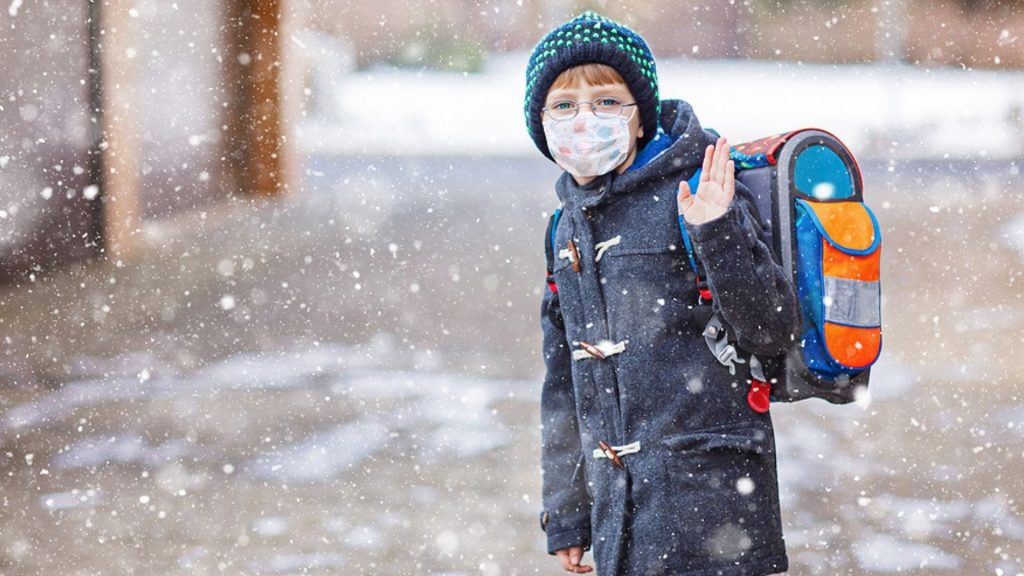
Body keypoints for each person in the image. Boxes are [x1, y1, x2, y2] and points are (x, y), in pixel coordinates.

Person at [525, 12, 800, 576]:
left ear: (640, 115)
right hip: (619, 523)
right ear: (541, 124)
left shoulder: (702, 189)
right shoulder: (564, 228)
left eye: (607, 101)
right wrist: (569, 514)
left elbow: (772, 330)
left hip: (715, 516)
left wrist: (716, 230)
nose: (584, 119)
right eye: (564, 104)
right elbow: (564, 387)